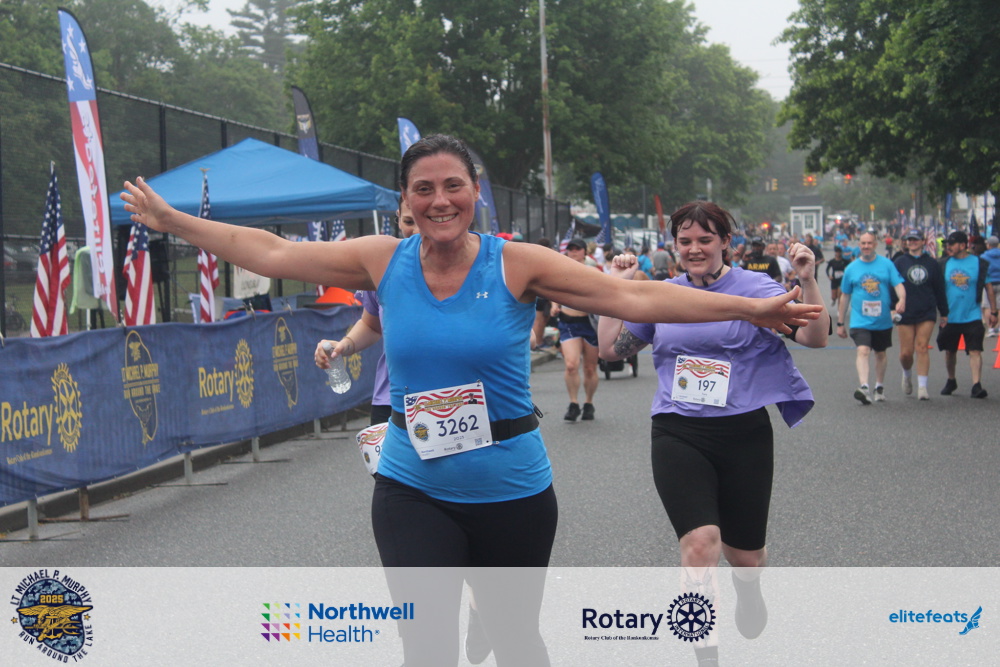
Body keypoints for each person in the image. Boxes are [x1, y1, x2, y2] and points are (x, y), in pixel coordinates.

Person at [122, 134, 819, 667]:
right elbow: (270, 251)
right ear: (406, 200)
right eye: (423, 188)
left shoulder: (516, 263)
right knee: (427, 649)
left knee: (515, 644)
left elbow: (633, 297)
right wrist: (172, 219)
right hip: (411, 484)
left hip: (512, 488)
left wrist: (748, 308)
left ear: (474, 192)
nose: (440, 201)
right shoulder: (381, 260)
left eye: (452, 185)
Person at [597, 201, 828, 667]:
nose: (695, 249)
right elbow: (611, 350)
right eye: (685, 241)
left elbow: (815, 338)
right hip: (677, 430)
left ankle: (750, 588)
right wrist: (615, 286)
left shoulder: (755, 289)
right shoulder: (663, 294)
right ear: (674, 246)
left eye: (705, 239)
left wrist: (807, 278)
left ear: (726, 242)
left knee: (746, 558)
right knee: (700, 544)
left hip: (743, 433)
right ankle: (706, 655)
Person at [314, 201, 417, 425]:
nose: (417, 231)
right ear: (398, 218)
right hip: (392, 401)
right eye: (409, 222)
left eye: (424, 221)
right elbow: (372, 325)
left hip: (456, 397)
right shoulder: (384, 265)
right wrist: (345, 345)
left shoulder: (474, 265)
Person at [837, 231, 906, 404]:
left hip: (882, 320)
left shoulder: (887, 264)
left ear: (875, 244)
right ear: (859, 245)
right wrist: (840, 322)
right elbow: (845, 296)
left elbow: (898, 285)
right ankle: (864, 387)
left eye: (869, 243)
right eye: (863, 243)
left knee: (880, 353)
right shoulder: (851, 269)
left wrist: (902, 300)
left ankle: (879, 386)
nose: (866, 246)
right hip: (860, 320)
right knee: (863, 350)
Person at [937, 231, 998, 398]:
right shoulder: (944, 264)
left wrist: (993, 311)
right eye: (947, 244)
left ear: (963, 245)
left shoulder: (979, 263)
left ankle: (976, 385)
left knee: (975, 350)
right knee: (950, 351)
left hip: (972, 315)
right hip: (950, 316)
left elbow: (989, 288)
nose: (948, 247)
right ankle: (951, 380)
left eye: (952, 244)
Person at [893, 229, 948, 401]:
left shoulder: (932, 263)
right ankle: (907, 373)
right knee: (906, 353)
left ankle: (922, 386)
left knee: (922, 346)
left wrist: (944, 312)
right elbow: (892, 285)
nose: (912, 242)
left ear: (923, 242)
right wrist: (892, 308)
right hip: (905, 311)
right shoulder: (899, 262)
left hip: (927, 310)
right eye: (910, 239)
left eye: (916, 239)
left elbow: (939, 288)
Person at [551, 237, 602, 421]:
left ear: (584, 252)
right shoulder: (560, 272)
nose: (573, 252)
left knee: (590, 368)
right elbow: (553, 291)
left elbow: (605, 293)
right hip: (568, 323)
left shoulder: (593, 272)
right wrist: (554, 305)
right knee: (571, 365)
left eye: (577, 249)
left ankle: (588, 403)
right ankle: (573, 403)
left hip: (589, 323)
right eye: (571, 249)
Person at [981, 235, 1000, 337]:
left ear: (988, 245)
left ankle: (991, 328)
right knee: (999, 306)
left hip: (988, 284)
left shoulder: (984, 257)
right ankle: (998, 327)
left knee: (988, 306)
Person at [825, 245, 849, 314]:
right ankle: (833, 299)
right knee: (834, 296)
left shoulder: (844, 261)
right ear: (835, 253)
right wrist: (829, 276)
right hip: (834, 280)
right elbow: (827, 269)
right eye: (837, 252)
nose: (838, 253)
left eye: (839, 252)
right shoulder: (832, 261)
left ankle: (839, 310)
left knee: (840, 296)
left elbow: (850, 267)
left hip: (841, 280)